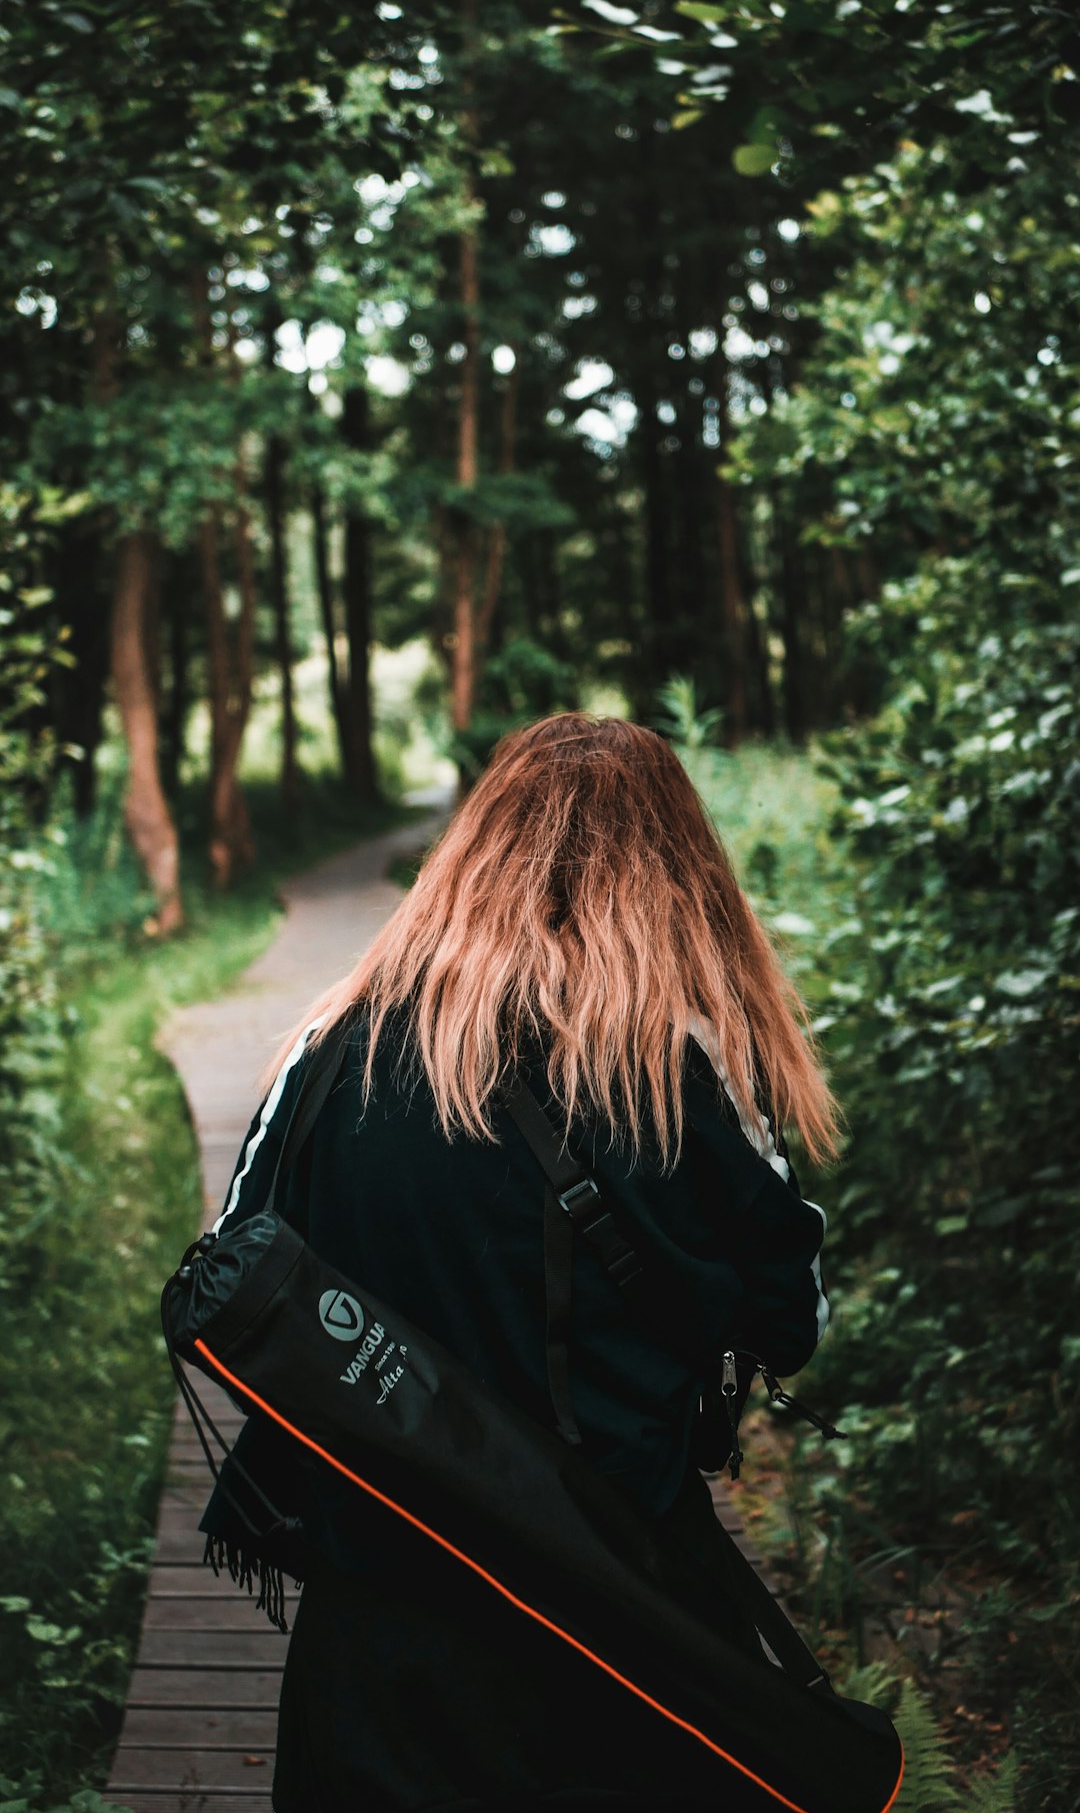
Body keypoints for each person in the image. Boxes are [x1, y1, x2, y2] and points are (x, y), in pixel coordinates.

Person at [203, 712, 837, 1813]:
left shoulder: (334, 1042)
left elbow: (233, 1277)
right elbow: (793, 1318)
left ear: (472, 846)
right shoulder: (681, 1065)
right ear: (681, 868)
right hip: (614, 1617)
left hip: (376, 1626)